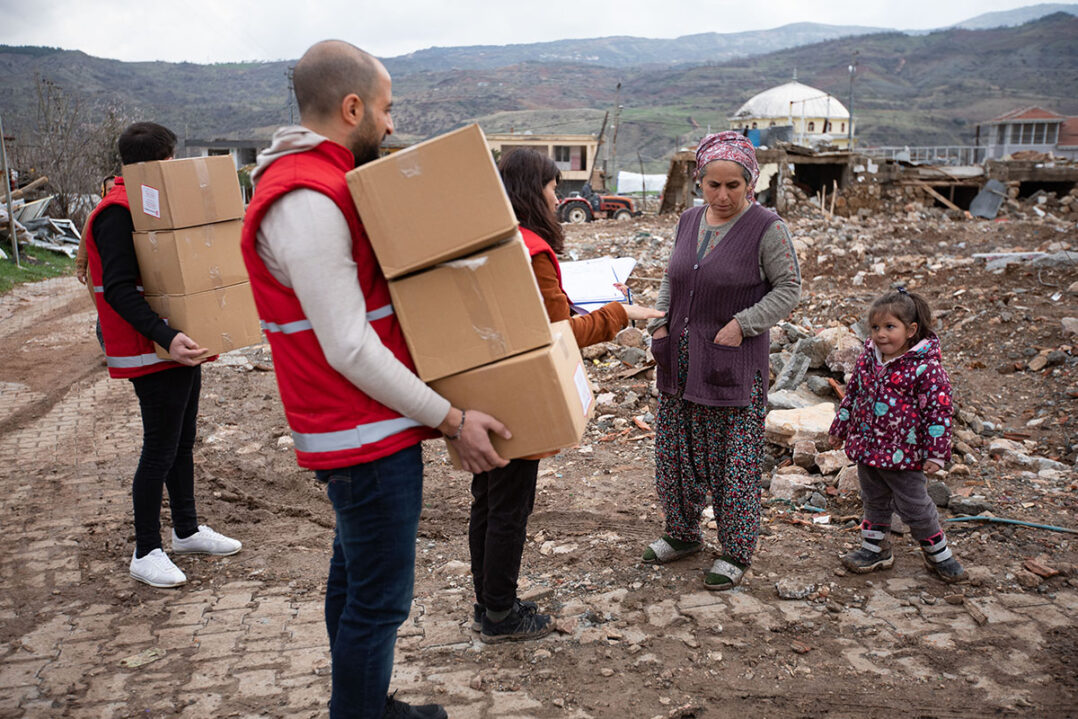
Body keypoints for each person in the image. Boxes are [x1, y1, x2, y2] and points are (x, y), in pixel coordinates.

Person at [240, 40, 511, 719]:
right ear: (352, 106)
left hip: (364, 429)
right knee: (379, 600)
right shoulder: (306, 198)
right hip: (360, 434)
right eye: (386, 110)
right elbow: (349, 345)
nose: (391, 125)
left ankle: (367, 703)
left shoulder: (325, 181)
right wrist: (451, 418)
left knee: (355, 582)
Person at [468, 148, 663, 642]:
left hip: (483, 385)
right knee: (510, 506)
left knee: (488, 501)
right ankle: (500, 616)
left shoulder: (491, 243)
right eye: (553, 189)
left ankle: (490, 601)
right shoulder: (533, 250)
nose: (558, 199)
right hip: (522, 391)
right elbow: (559, 333)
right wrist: (620, 314)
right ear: (533, 192)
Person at [83, 124, 241, 589]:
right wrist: (165, 336)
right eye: (170, 160)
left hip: (175, 347)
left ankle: (187, 530)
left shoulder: (149, 205)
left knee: (181, 441)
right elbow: (117, 289)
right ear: (154, 163)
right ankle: (146, 549)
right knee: (159, 449)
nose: (174, 169)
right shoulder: (116, 213)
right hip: (149, 350)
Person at [643, 131, 801, 590]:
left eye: (734, 185)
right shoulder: (689, 220)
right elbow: (672, 277)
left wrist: (743, 323)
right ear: (700, 182)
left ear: (751, 182)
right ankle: (682, 533)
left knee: (732, 463)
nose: (724, 194)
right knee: (676, 457)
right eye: (714, 184)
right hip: (680, 363)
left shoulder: (767, 227)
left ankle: (735, 551)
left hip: (732, 366)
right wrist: (659, 322)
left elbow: (789, 289)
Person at [828, 288, 967, 583]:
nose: (880, 334)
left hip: (905, 454)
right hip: (869, 449)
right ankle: (875, 549)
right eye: (875, 327)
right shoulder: (869, 360)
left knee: (915, 505)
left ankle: (938, 553)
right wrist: (840, 427)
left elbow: (938, 413)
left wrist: (936, 453)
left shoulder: (926, 369)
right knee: (873, 499)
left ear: (911, 330)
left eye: (890, 327)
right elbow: (852, 395)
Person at [77, 175, 116, 351]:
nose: (113, 192)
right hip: (99, 272)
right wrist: (80, 267)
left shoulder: (128, 211)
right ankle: (108, 349)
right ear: (103, 192)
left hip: (121, 270)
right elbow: (85, 242)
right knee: (104, 309)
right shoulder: (96, 215)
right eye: (109, 189)